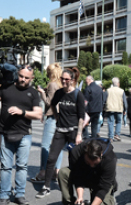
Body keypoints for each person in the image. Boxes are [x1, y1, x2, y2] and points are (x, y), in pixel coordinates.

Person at [0, 65, 42, 205]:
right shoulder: (6, 88)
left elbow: (38, 114)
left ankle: (19, 195)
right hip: (6, 134)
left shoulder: (33, 93)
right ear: (17, 74)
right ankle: (4, 196)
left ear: (32, 78)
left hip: (24, 135)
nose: (23, 79)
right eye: (21, 76)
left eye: (26, 78)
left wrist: (21, 112)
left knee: (22, 166)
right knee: (6, 167)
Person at [37, 68, 86, 198]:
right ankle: (46, 186)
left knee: (73, 160)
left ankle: (71, 187)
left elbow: (81, 116)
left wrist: (79, 134)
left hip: (73, 133)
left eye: (66, 79)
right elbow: (52, 104)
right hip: (60, 132)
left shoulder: (78, 95)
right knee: (51, 158)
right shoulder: (59, 93)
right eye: (62, 79)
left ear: (73, 80)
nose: (64, 81)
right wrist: (57, 116)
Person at [56, 138, 117, 205]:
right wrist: (80, 197)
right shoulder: (76, 152)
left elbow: (103, 188)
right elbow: (77, 176)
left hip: (100, 183)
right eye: (88, 163)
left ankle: (110, 200)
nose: (92, 166)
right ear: (84, 154)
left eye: (95, 164)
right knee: (63, 172)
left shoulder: (110, 159)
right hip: (86, 177)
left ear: (101, 155)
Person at [32, 63, 63, 183]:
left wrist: (41, 92)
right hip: (60, 118)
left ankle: (43, 171)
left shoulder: (52, 84)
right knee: (58, 146)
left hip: (52, 117)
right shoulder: (60, 84)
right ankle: (56, 171)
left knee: (45, 145)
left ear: (51, 73)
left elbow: (49, 102)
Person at [104, 77, 126, 142]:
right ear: (118, 83)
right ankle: (117, 134)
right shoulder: (122, 91)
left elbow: (104, 100)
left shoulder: (108, 90)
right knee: (119, 122)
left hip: (110, 108)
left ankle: (111, 137)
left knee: (110, 122)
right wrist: (125, 109)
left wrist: (104, 107)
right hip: (119, 108)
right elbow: (124, 101)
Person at [83, 75, 103, 139]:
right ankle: (93, 138)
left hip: (89, 110)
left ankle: (86, 136)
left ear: (89, 80)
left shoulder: (88, 89)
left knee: (85, 123)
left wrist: (83, 109)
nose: (86, 82)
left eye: (86, 81)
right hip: (97, 109)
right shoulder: (99, 88)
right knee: (94, 125)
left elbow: (85, 100)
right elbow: (102, 99)